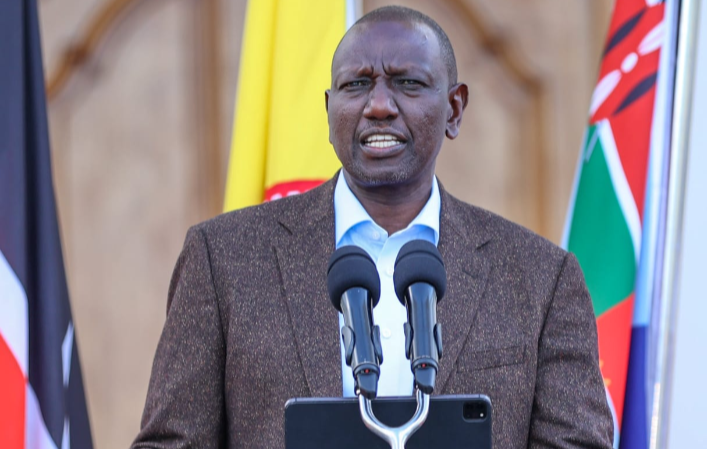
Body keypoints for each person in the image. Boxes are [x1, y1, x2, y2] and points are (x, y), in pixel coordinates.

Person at [132, 6, 613, 449]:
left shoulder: (540, 277)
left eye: (407, 83)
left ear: (454, 109)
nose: (379, 105)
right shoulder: (224, 260)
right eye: (357, 85)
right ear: (328, 110)